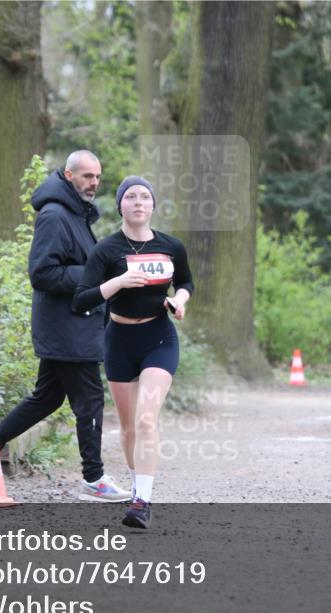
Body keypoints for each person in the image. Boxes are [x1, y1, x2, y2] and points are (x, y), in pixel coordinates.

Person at [0, 150, 131, 503]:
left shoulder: (74, 213)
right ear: (69, 176)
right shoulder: (55, 215)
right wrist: (96, 274)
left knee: (48, 397)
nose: (94, 183)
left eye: (97, 177)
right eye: (87, 176)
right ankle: (94, 478)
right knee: (90, 401)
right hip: (68, 327)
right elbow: (42, 273)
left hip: (71, 325)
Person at [72, 176, 193, 529]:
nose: (138, 202)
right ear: (120, 206)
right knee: (128, 428)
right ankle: (137, 481)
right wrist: (118, 283)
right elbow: (81, 298)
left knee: (145, 420)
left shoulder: (171, 246)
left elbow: (185, 282)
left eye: (144, 197)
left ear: (153, 206)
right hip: (119, 341)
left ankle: (142, 501)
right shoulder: (107, 250)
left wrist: (179, 301)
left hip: (159, 338)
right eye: (130, 197)